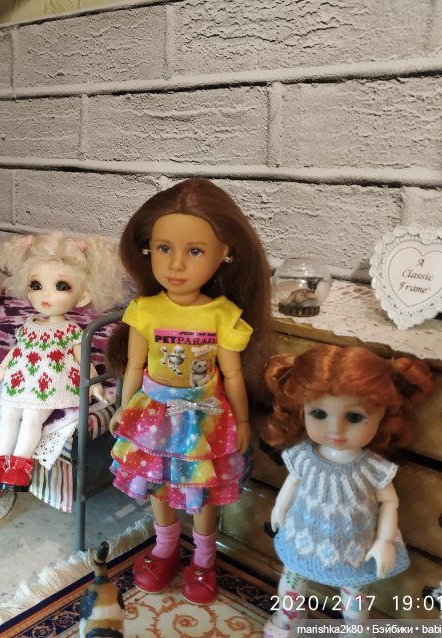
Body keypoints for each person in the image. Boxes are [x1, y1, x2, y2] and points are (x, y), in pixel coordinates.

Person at [106, 178, 273, 604]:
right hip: (152, 413)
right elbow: (136, 366)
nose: (176, 265)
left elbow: (232, 375)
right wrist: (123, 409)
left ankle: (203, 559)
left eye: (195, 251)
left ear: (225, 253)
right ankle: (164, 549)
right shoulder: (145, 309)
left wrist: (243, 420)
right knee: (156, 483)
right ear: (148, 249)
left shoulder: (223, 314)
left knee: (202, 491)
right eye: (164, 248)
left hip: (205, 417)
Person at [260, 345, 433, 636]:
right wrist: (280, 507)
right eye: (319, 413)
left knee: (355, 601)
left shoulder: (372, 467)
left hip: (355, 546)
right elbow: (293, 482)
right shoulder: (303, 456)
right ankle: (289, 618)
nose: (336, 429)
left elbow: (389, 502)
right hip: (304, 537)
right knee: (290, 585)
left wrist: (385, 541)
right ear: (302, 410)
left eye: (354, 417)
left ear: (382, 413)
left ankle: (355, 630)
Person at [0, 232, 125, 492]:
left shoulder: (70, 330)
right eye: (36, 285)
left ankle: (19, 466)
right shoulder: (29, 324)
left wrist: (94, 384)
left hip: (51, 383)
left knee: (32, 417)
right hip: (22, 378)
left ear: (82, 297)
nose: (45, 294)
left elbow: (82, 358)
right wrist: (2, 367)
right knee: (8, 413)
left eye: (61, 287)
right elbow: (19, 349)